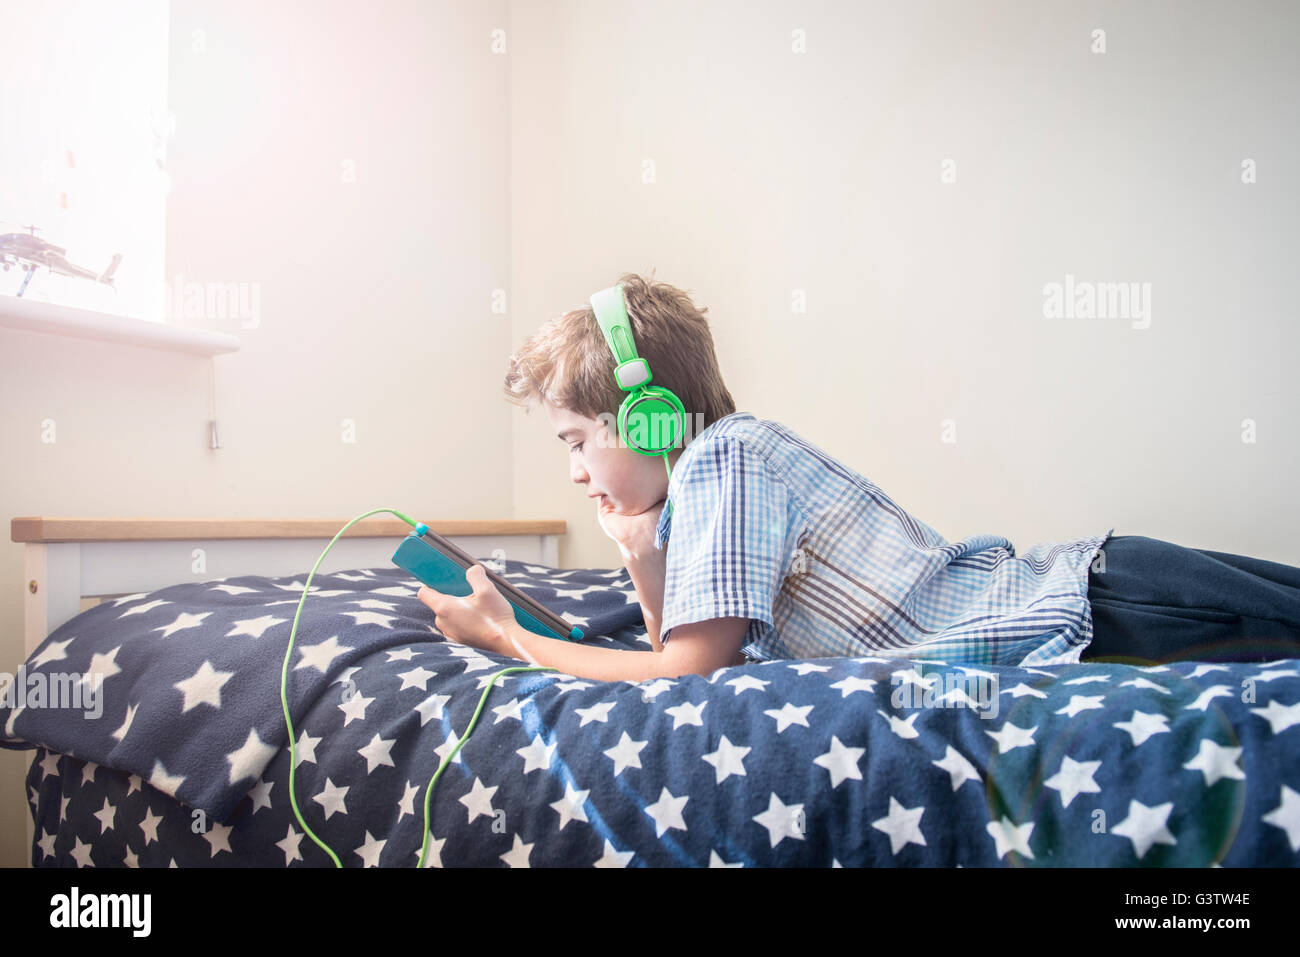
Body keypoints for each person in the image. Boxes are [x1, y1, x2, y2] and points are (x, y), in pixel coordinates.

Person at [416, 272, 1300, 679]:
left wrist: (509, 637)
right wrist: (643, 553)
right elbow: (676, 652)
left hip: (1101, 601)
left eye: (576, 440)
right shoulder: (697, 496)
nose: (574, 471)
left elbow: (686, 672)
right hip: (1101, 596)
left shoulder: (725, 456)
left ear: (648, 417)